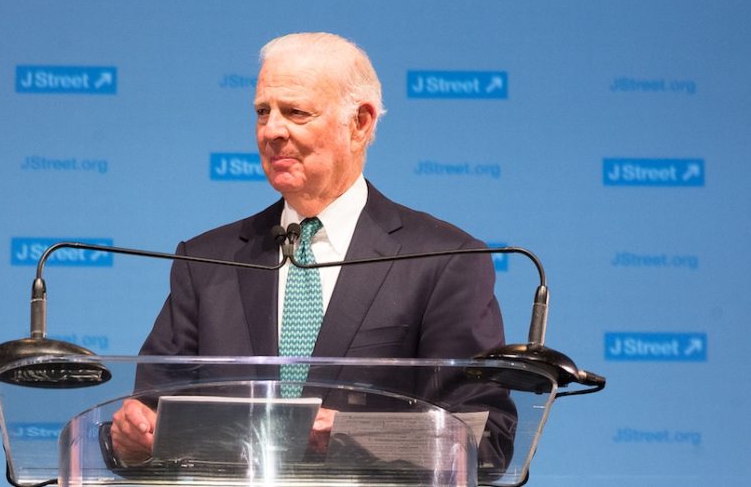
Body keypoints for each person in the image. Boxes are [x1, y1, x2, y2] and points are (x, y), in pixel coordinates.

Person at [110, 32, 506, 465]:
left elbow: (485, 441)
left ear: (361, 123)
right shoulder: (205, 261)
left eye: (295, 112)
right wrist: (131, 437)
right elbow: (148, 415)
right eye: (263, 112)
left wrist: (348, 435)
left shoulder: (443, 261)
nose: (272, 130)